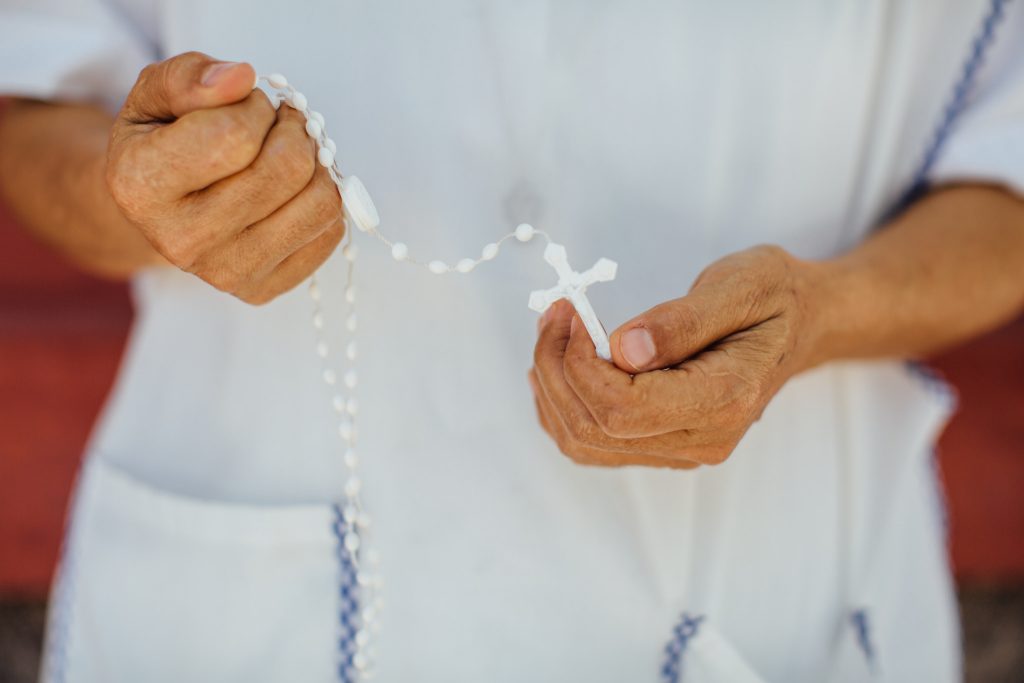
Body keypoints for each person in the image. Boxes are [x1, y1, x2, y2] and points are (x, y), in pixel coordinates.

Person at [1, 1, 1022, 681]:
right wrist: (133, 187)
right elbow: (32, 89)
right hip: (249, 597)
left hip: (769, 581)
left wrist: (821, 310)